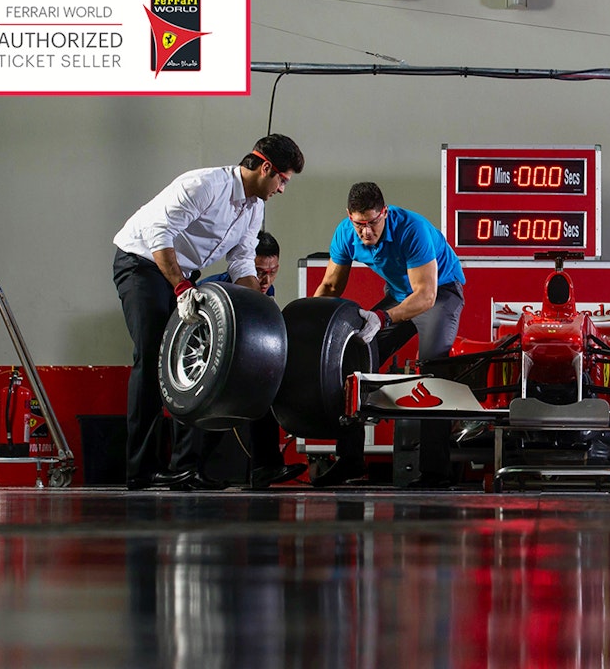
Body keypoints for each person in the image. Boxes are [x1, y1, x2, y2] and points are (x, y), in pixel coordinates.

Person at [112, 134, 304, 490]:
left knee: (193, 366)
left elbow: (242, 260)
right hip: (142, 264)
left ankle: (186, 469)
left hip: (181, 273)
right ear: (266, 168)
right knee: (153, 358)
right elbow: (159, 233)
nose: (282, 189)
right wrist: (182, 288)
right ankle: (140, 470)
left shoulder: (254, 206)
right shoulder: (203, 184)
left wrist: (262, 310)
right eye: (283, 180)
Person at [313, 182, 466, 489]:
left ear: (384, 212)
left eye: (372, 223)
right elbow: (330, 288)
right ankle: (350, 461)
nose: (366, 233)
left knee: (433, 370)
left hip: (440, 294)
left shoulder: (413, 229)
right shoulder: (346, 233)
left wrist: (383, 318)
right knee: (352, 363)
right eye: (359, 224)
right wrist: (313, 327)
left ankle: (436, 473)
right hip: (398, 295)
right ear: (349, 217)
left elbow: (425, 296)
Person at [198, 229, 308, 489]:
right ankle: (195, 470)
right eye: (259, 271)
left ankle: (265, 467)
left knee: (264, 395)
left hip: (241, 368)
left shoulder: (266, 292)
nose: (265, 279)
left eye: (272, 271)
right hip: (208, 370)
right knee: (213, 410)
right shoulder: (214, 289)